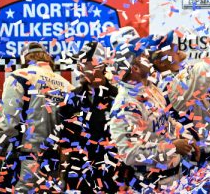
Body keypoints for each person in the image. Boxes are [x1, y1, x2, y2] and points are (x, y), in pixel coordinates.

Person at [107, 32, 198, 190]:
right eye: (142, 55)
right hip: (150, 183)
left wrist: (184, 134)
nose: (147, 56)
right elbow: (129, 153)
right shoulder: (125, 105)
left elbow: (165, 119)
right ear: (135, 68)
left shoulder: (149, 87)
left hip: (174, 175)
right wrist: (172, 147)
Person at [0, 42, 73, 193]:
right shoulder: (67, 86)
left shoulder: (19, 77)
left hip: (25, 164)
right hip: (54, 166)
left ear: (24, 59)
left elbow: (7, 126)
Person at [59, 41, 121, 193]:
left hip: (109, 175)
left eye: (84, 63)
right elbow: (65, 143)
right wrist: (62, 178)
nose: (79, 68)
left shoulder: (117, 98)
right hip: (78, 176)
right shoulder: (72, 98)